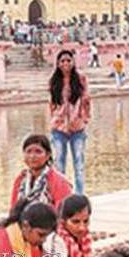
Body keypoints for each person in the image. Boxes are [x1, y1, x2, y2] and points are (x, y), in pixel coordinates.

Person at [48, 50, 91, 195]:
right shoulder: (54, 81)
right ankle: (62, 195)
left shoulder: (80, 79)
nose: (65, 63)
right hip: (58, 128)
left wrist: (85, 118)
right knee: (59, 164)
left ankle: (79, 196)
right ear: (58, 64)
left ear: (73, 62)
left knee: (79, 163)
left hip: (77, 128)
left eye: (68, 60)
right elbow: (52, 103)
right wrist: (53, 119)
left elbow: (86, 100)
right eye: (62, 61)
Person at [10, 133, 75, 210]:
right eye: (28, 151)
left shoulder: (59, 182)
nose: (32, 156)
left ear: (47, 155)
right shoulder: (20, 180)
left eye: (38, 152)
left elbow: (64, 214)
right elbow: (13, 209)